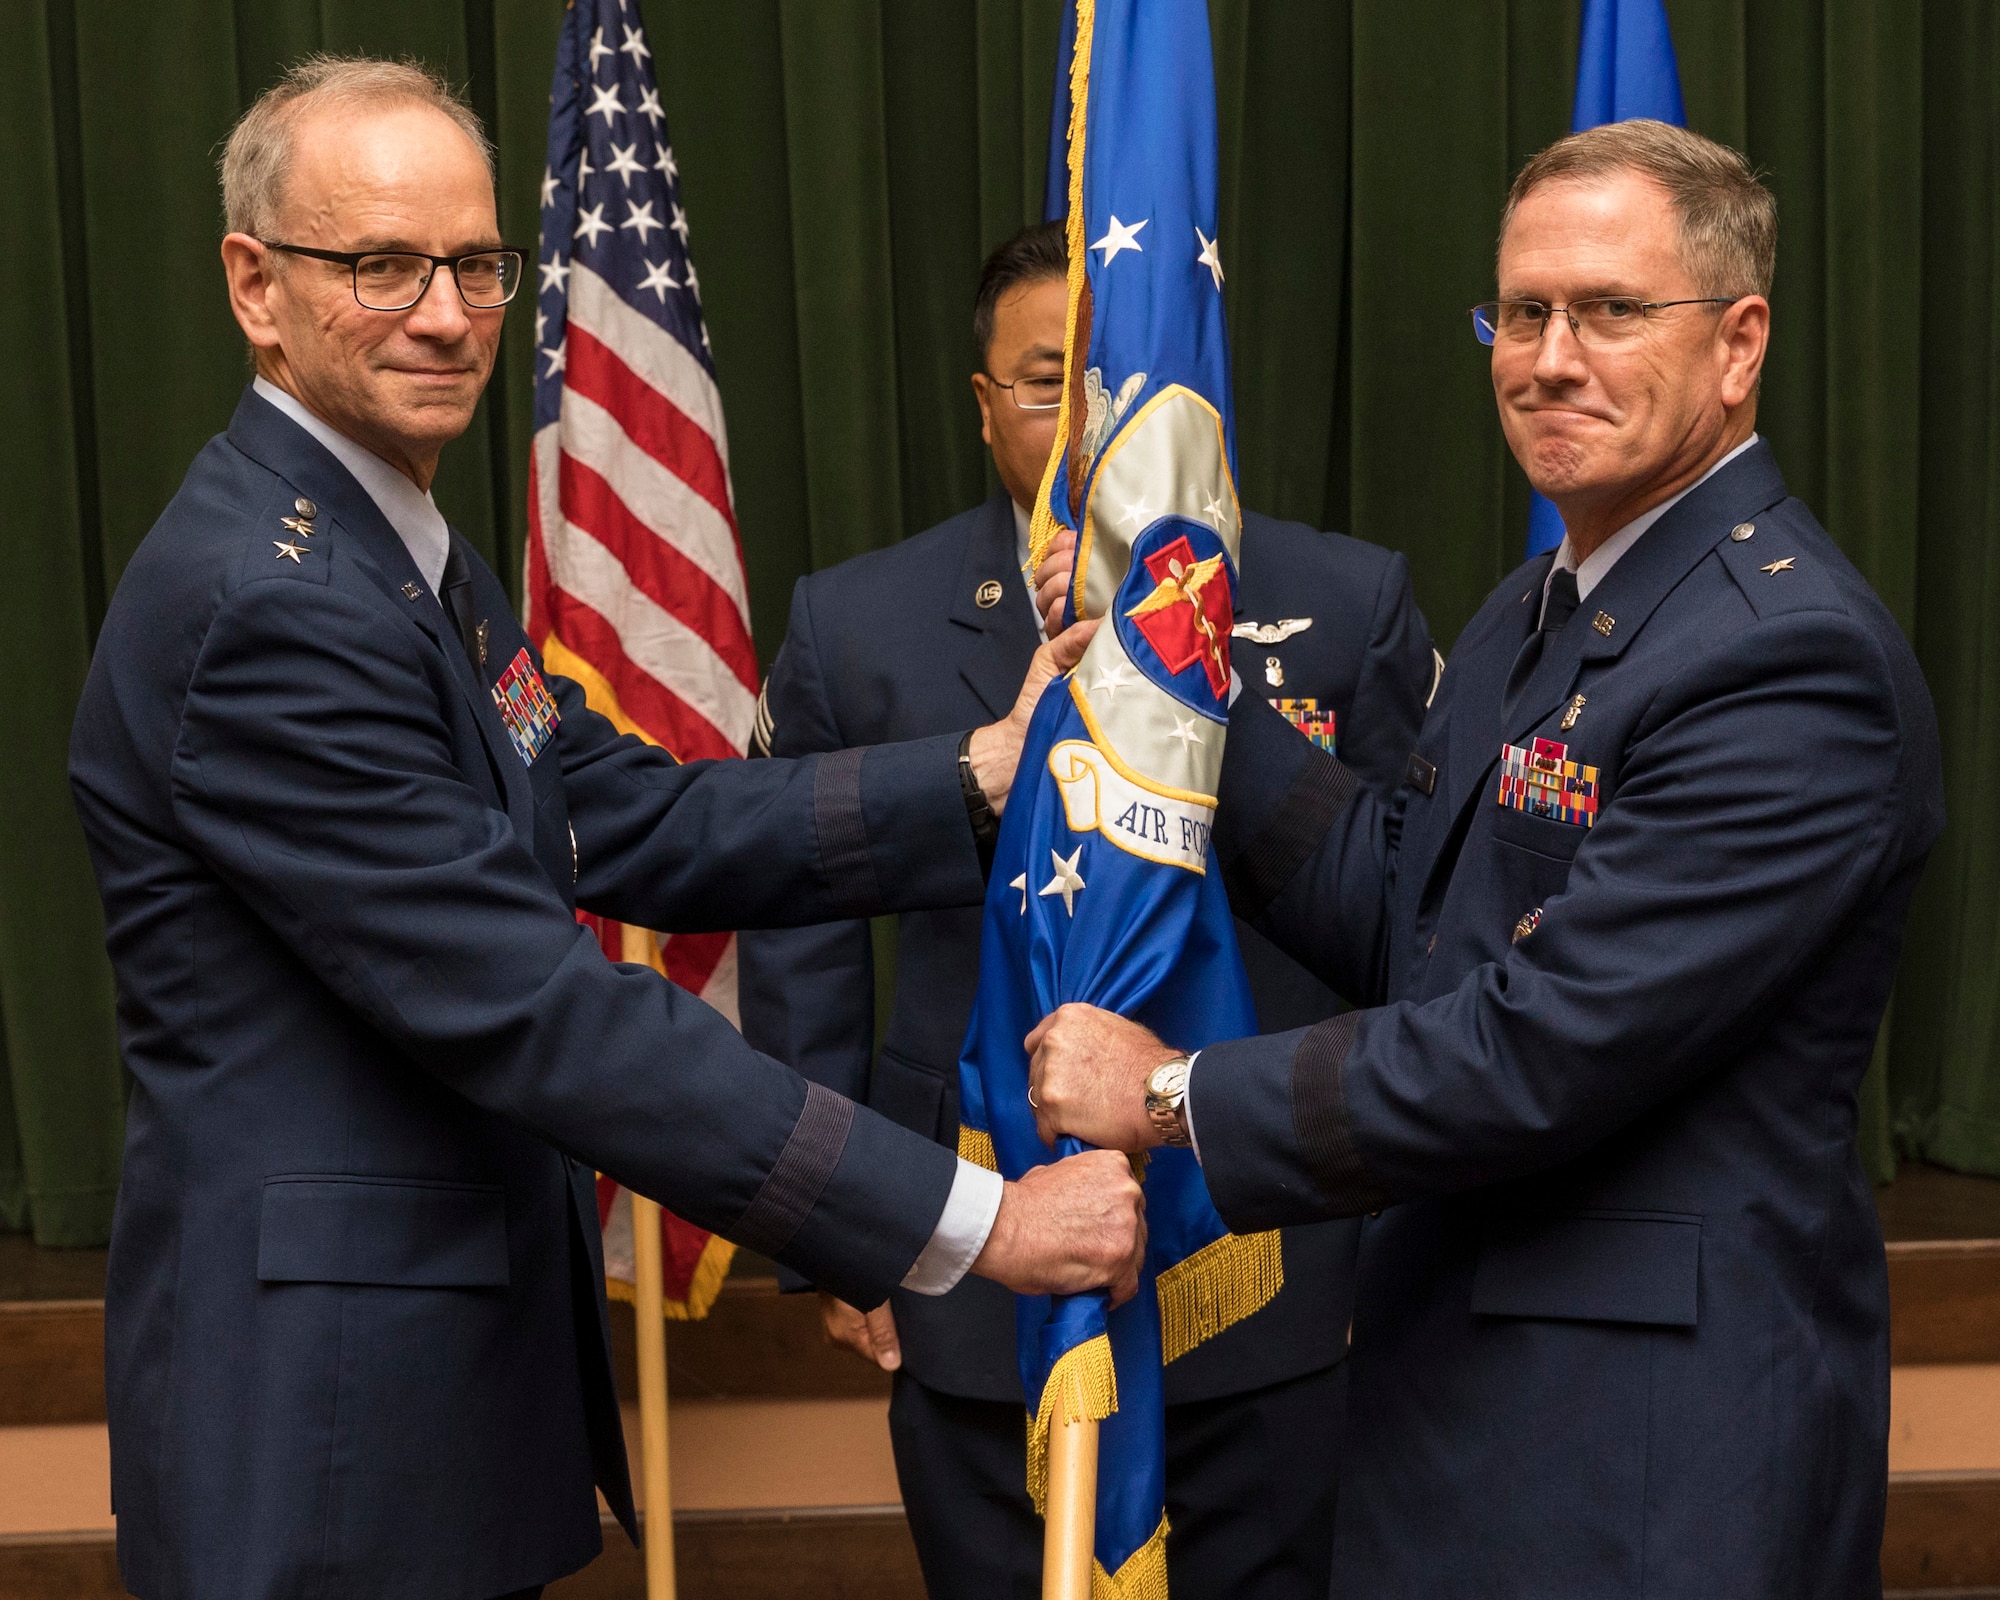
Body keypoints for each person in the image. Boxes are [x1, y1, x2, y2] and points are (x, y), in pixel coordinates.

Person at [64, 58, 1144, 1600]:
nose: (445, 314)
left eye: (475, 265)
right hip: (326, 1438)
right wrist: (976, 1219)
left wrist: (978, 774)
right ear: (256, 284)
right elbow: (544, 1006)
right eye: (379, 265)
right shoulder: (272, 605)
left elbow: (613, 809)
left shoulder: (395, 543)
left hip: (427, 1393)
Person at [1027, 120, 1942, 1598]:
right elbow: (1411, 915)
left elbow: (1541, 1047)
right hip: (1457, 1401)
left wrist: (1166, 1095)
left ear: (1741, 342)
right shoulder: (1542, 603)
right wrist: (1185, 696)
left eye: (1611, 311)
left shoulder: (1790, 662)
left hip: (1648, 1456)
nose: (1550, 358)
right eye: (1522, 312)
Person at [738, 220, 1435, 1600]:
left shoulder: (1345, 603)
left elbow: (1410, 929)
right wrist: (835, 1231)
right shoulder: (856, 622)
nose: (1090, 421)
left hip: (1263, 1259)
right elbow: (803, 935)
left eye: (1122, 381)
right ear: (985, 404)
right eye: (1050, 383)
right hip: (976, 1257)